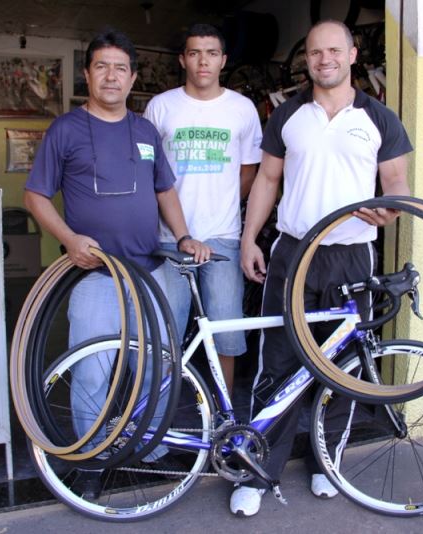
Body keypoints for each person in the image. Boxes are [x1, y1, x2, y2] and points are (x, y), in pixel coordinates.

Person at [233, 20, 414, 517]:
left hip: (351, 254)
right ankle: (258, 469)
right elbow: (268, 179)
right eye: (315, 52)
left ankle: (324, 463)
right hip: (292, 252)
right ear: (306, 59)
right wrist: (251, 239)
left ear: (354, 55)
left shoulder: (380, 117)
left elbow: (395, 182)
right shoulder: (287, 114)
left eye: (334, 50)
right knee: (278, 362)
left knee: (342, 367)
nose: (324, 59)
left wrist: (390, 208)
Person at [24, 28, 210, 473]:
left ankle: (152, 444)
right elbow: (35, 196)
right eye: (102, 67)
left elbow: (164, 190)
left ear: (132, 78)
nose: (111, 76)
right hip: (94, 275)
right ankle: (90, 454)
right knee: (93, 370)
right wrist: (69, 239)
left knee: (157, 366)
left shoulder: (145, 130)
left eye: (120, 69)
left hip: (149, 273)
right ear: (87, 74)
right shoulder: (66, 129)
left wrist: (183, 236)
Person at [143, 23, 262, 395]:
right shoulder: (161, 106)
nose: (203, 61)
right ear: (183, 59)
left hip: (223, 237)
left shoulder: (242, 109)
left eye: (211, 53)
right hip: (169, 240)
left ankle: (224, 413)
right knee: (165, 335)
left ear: (223, 60)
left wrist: (219, 204)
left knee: (227, 333)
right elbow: (148, 174)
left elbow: (249, 173)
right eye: (194, 53)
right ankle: (159, 418)